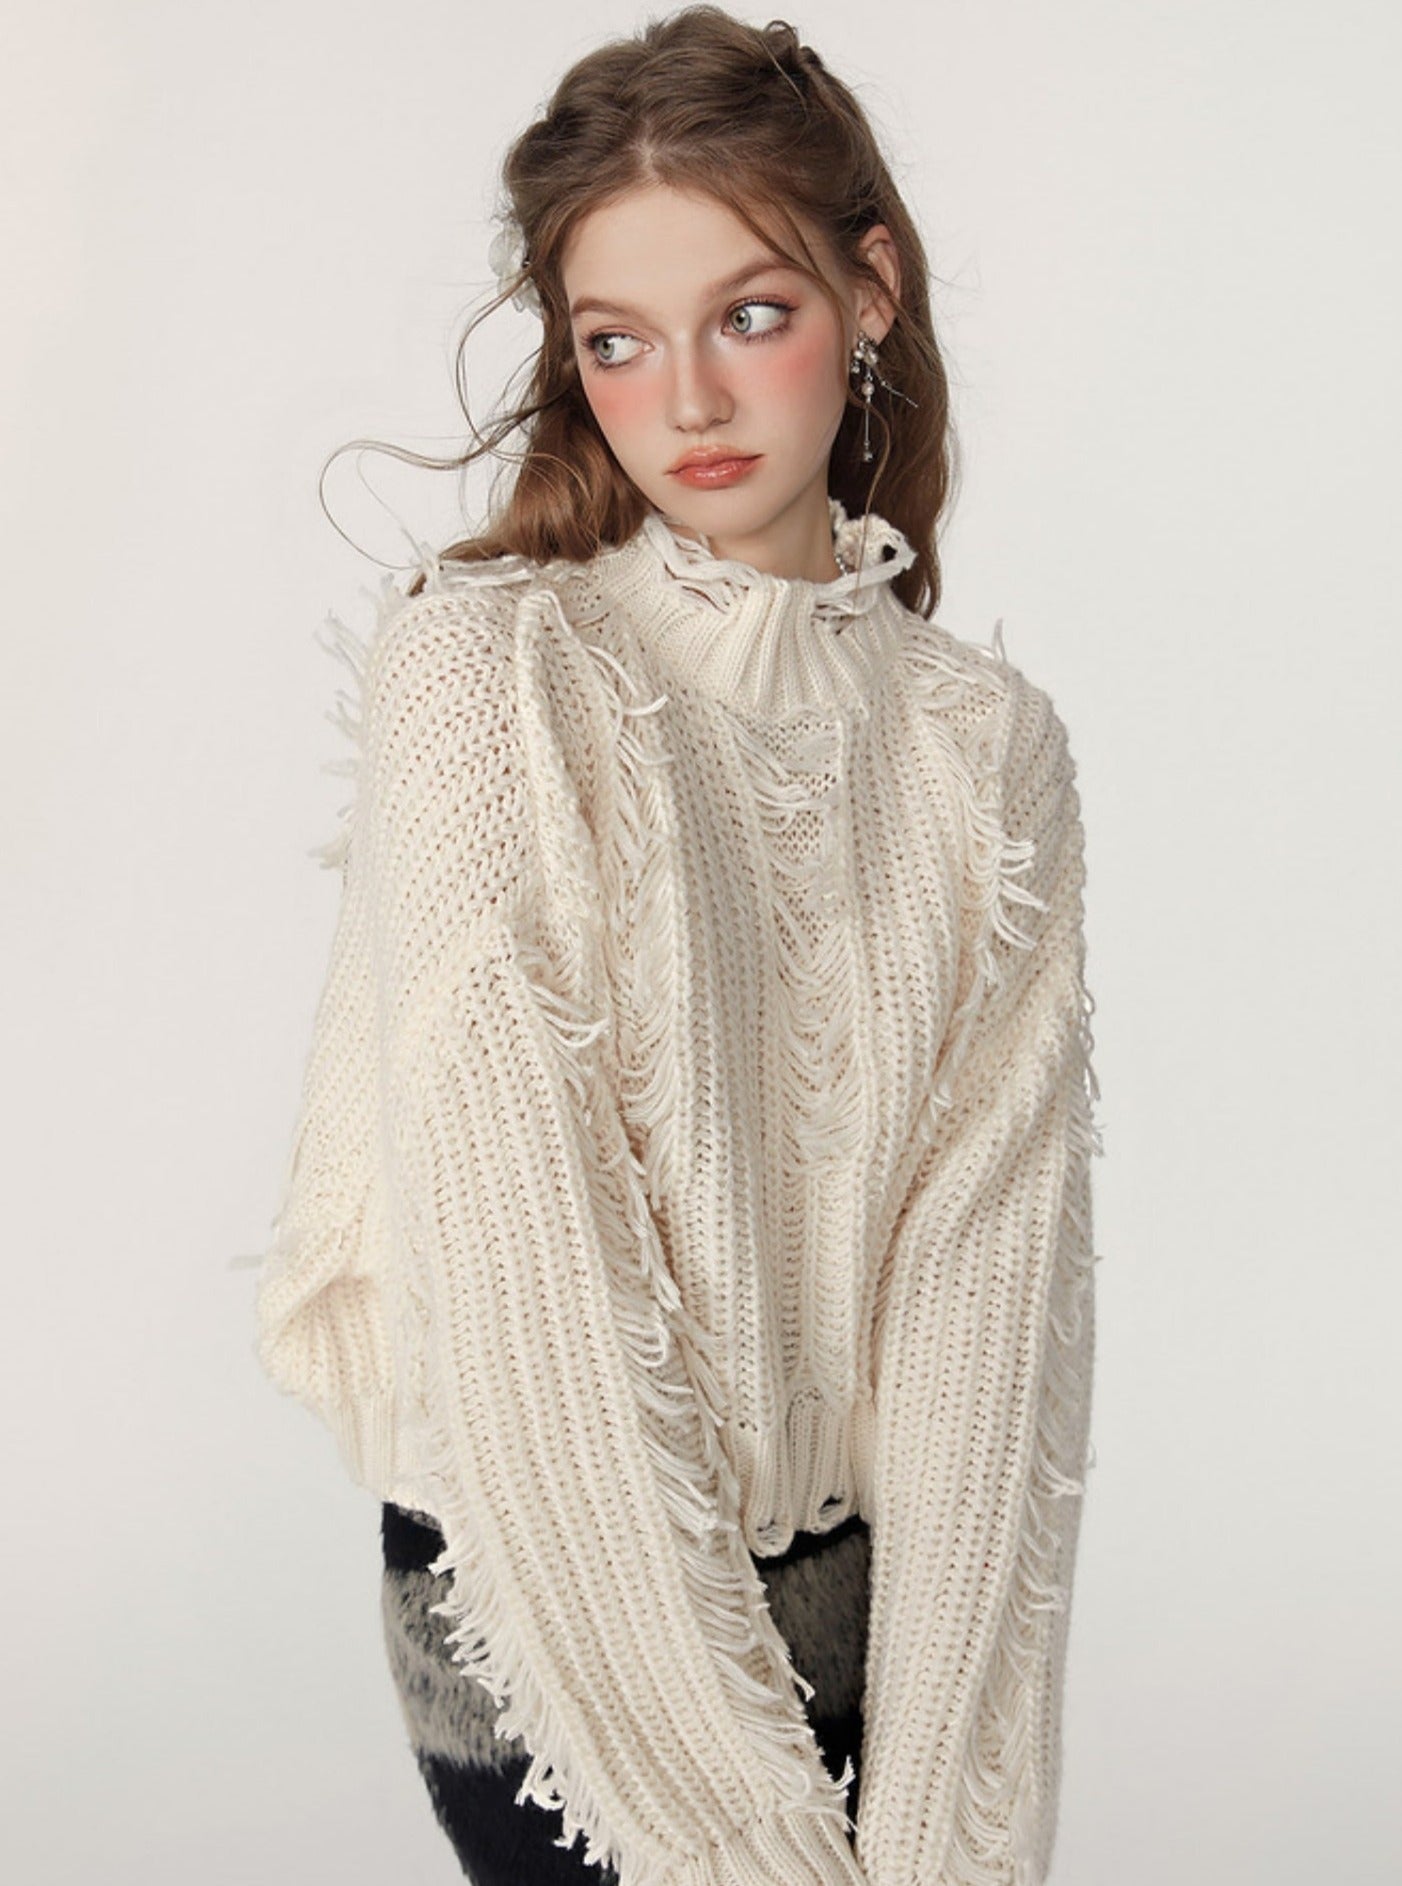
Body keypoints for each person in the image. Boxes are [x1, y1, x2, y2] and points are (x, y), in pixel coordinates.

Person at [252, 8, 1104, 1885]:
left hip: (862, 1587)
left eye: (749, 314)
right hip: (544, 1588)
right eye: (617, 341)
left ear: (867, 293)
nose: (690, 402)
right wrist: (746, 1841)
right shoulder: (485, 675)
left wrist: (949, 1835)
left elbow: (984, 1304)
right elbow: (521, 1283)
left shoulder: (985, 751)